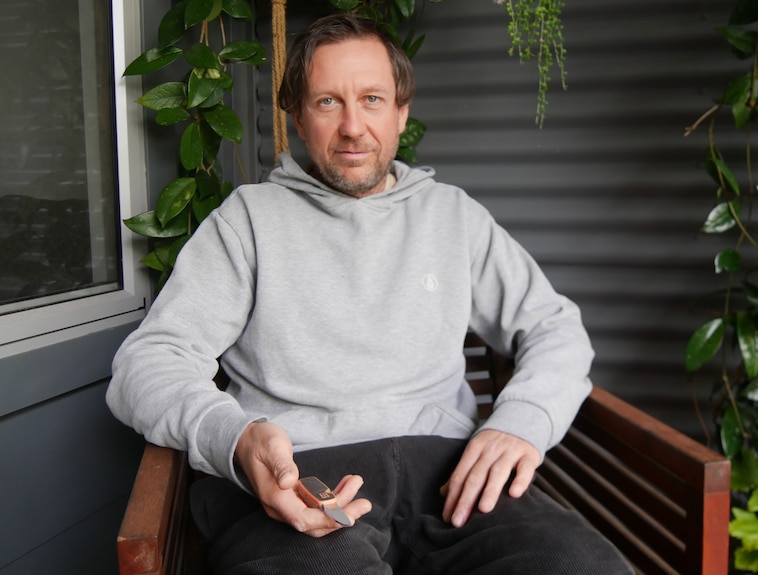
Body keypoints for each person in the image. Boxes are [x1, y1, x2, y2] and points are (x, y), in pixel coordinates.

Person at [107, 12, 633, 575]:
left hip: (453, 482)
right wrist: (235, 438)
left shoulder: (454, 217)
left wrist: (521, 420)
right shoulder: (247, 223)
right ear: (298, 118)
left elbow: (555, 328)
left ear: (402, 113)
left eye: (373, 99)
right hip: (304, 486)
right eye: (328, 101)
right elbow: (148, 362)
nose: (354, 126)